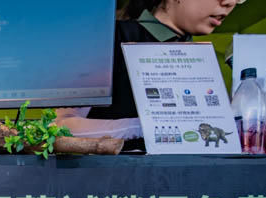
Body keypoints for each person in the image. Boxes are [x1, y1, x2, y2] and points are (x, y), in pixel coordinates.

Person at [56, 0, 244, 148]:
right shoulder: (109, 37)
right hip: (114, 186)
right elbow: (62, 127)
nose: (229, 3)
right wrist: (146, 127)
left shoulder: (202, 58)